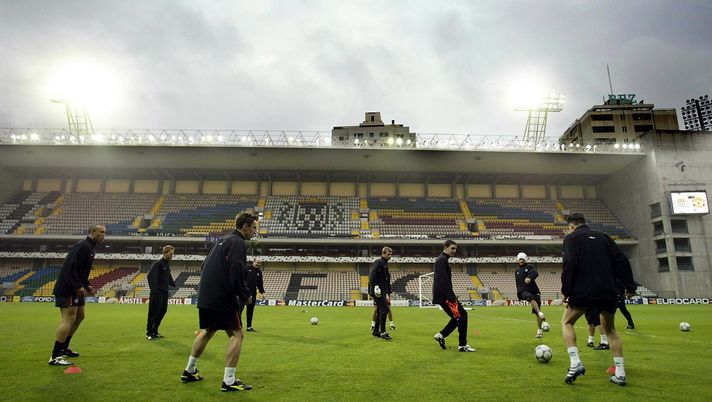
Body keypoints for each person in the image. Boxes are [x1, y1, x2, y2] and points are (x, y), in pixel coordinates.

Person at [180, 213, 257, 392]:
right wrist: (246, 295)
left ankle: (189, 370)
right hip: (222, 297)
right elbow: (236, 271)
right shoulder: (237, 243)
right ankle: (229, 380)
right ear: (244, 227)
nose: (254, 232)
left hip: (206, 295)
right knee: (236, 334)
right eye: (253, 228)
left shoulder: (221, 241)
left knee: (208, 330)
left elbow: (203, 266)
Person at [560, 213, 636, 386]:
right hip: (608, 290)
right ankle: (621, 373)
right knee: (611, 330)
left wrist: (566, 290)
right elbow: (622, 260)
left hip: (584, 290)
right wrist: (630, 286)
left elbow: (570, 263)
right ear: (584, 223)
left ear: (571, 226)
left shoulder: (571, 238)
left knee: (566, 322)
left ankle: (575, 363)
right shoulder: (604, 237)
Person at [48, 224, 106, 366]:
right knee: (69, 319)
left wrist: (86, 284)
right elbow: (71, 267)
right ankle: (55, 356)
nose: (104, 235)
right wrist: (78, 286)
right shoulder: (83, 246)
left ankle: (64, 348)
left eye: (105, 232)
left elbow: (81, 271)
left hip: (76, 287)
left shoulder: (90, 248)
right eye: (101, 232)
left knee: (80, 316)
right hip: (68, 288)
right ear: (92, 232)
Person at [432, 240, 475, 352]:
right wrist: (451, 297)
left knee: (458, 317)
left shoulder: (443, 259)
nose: (454, 251)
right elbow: (442, 281)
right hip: (445, 297)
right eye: (452, 248)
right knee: (462, 315)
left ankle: (442, 335)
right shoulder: (442, 260)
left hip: (444, 296)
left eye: (455, 249)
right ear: (445, 247)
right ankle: (462, 345)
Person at [146, 245, 177, 340]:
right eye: (170, 253)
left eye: (173, 254)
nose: (172, 255)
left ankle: (155, 331)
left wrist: (173, 283)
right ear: (165, 253)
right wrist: (154, 290)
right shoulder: (158, 264)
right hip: (157, 293)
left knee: (162, 311)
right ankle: (149, 333)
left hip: (164, 292)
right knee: (153, 313)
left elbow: (168, 276)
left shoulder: (166, 265)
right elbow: (150, 276)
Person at [514, 252, 546, 338]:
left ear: (525, 260)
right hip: (523, 290)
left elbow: (535, 273)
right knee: (530, 298)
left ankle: (539, 331)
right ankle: (540, 312)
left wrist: (529, 277)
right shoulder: (516, 271)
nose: (521, 260)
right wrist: (518, 295)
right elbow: (517, 283)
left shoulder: (529, 267)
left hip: (534, 290)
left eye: (522, 259)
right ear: (517, 260)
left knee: (536, 312)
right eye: (520, 259)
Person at [368, 247, 393, 340]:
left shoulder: (385, 264)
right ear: (383, 253)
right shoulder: (378, 262)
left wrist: (388, 292)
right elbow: (371, 275)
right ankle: (383, 331)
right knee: (385, 309)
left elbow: (387, 280)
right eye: (388, 254)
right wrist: (375, 286)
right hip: (377, 291)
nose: (390, 256)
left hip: (382, 291)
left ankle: (375, 331)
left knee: (380, 311)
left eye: (391, 254)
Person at [245, 258, 265, 332]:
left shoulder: (259, 272)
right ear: (253, 262)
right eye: (257, 262)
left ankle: (249, 327)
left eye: (260, 263)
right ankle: (237, 326)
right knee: (239, 310)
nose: (258, 264)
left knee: (250, 310)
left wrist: (262, 292)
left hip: (253, 294)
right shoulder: (246, 268)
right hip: (243, 293)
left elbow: (260, 283)